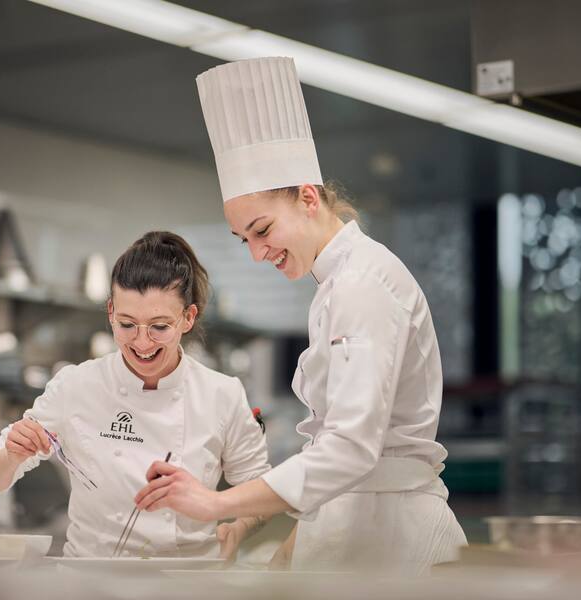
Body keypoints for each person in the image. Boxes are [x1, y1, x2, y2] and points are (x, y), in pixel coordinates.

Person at [134, 57, 467, 574]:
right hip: (360, 530)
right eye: (243, 239)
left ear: (308, 198)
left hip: (394, 542)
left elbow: (351, 450)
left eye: (263, 230)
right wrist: (271, 533)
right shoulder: (335, 284)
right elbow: (338, 459)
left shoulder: (362, 284)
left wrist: (219, 504)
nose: (256, 253)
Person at [0, 231, 270, 559]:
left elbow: (262, 494)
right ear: (111, 312)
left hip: (184, 579)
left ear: (188, 318)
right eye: (127, 324)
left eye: (159, 327)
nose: (142, 343)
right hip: (90, 579)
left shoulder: (222, 394)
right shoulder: (76, 385)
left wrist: (238, 529)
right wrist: (12, 455)